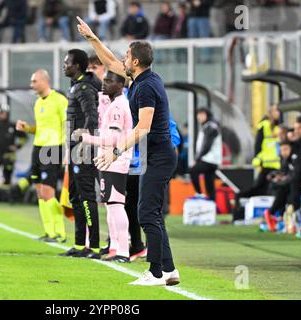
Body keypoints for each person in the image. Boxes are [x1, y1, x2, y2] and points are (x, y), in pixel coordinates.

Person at [77, 17, 180, 286]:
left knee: (146, 213)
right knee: (151, 213)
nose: (122, 59)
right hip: (153, 156)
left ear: (135, 62)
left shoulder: (146, 87)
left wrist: (114, 151)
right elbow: (109, 61)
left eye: (127, 55)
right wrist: (91, 38)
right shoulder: (138, 79)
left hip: (160, 155)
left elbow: (143, 128)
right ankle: (168, 270)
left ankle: (156, 272)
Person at [73, 71, 132, 263]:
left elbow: (114, 139)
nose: (104, 84)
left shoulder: (117, 106)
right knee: (111, 205)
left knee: (116, 205)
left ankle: (123, 251)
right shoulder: (116, 104)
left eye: (109, 81)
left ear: (120, 85)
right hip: (109, 160)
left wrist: (87, 138)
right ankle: (116, 247)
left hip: (115, 160)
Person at [59, 49, 102, 259]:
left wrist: (83, 142)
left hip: (83, 151)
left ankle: (93, 246)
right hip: (75, 150)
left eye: (67, 62)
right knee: (76, 197)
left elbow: (92, 118)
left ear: (77, 66)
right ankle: (79, 244)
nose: (64, 65)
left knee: (86, 198)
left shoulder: (84, 88)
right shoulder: (77, 86)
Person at [16, 69, 67, 243]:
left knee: (48, 190)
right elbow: (41, 127)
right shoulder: (38, 103)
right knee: (39, 190)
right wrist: (28, 128)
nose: (32, 85)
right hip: (38, 147)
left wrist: (67, 150)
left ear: (44, 81)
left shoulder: (60, 100)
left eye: (34, 81)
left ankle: (59, 232)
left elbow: (66, 125)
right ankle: (48, 231)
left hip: (53, 148)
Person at [233, 105, 281, 221]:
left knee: (270, 191)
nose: (278, 112)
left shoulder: (281, 127)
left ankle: (271, 217)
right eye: (276, 110)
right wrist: (258, 161)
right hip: (266, 165)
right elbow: (258, 146)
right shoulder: (264, 126)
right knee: (259, 189)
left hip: (278, 166)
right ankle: (239, 207)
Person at [0, 104, 28, 202]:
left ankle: (5, 197)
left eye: (5, 113)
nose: (3, 115)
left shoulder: (13, 126)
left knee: (7, 177)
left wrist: (17, 146)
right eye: (1, 113)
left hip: (9, 156)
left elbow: (24, 138)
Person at [264, 141, 301, 232]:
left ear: (291, 149)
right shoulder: (285, 160)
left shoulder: (297, 158)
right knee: (280, 188)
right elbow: (284, 172)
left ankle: (279, 215)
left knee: (289, 188)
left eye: (286, 149)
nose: (284, 152)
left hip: (299, 185)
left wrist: (284, 179)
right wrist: (276, 176)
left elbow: (296, 175)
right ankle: (280, 217)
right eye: (282, 150)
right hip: (289, 185)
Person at [189, 107, 222, 201]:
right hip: (213, 160)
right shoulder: (210, 125)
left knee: (193, 170)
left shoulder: (210, 126)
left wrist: (197, 159)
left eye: (199, 115)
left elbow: (206, 146)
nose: (197, 117)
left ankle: (199, 193)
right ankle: (212, 205)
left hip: (209, 159)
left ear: (204, 114)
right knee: (209, 184)